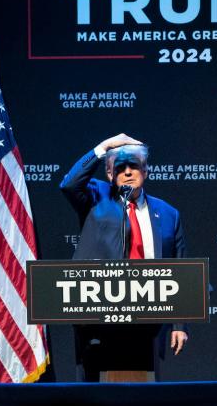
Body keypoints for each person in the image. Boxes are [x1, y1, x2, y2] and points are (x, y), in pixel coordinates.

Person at [60, 133, 188, 381]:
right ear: (109, 174)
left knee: (143, 390)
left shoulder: (168, 213)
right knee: (94, 391)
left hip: (149, 318)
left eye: (134, 166)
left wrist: (179, 324)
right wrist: (104, 147)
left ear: (146, 171)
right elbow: (69, 184)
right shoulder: (96, 196)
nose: (128, 172)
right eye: (120, 168)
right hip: (97, 317)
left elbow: (180, 268)